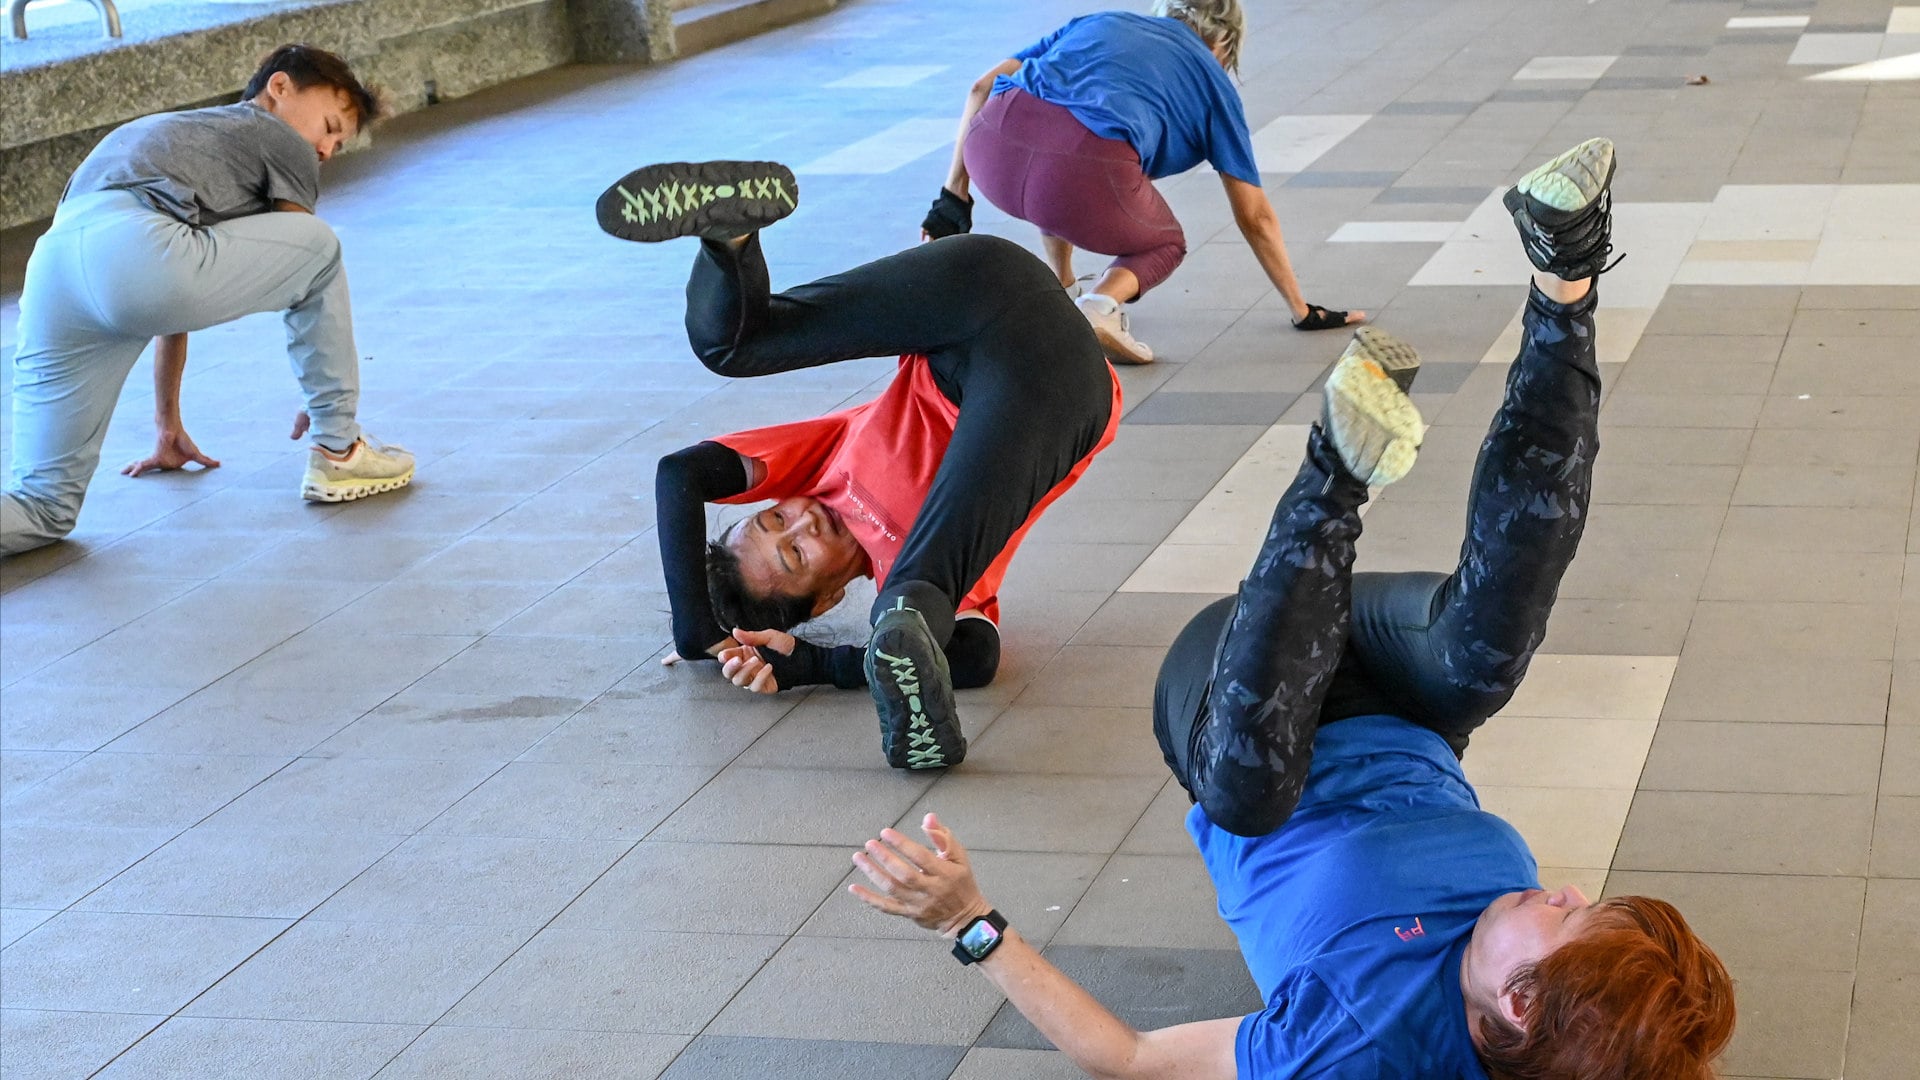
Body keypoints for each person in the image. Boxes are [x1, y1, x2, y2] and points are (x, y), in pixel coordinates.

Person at [849, 140, 1737, 1077]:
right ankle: (1565, 277)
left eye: (1563, 916)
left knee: (1250, 791)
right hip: (1394, 690)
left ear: (1516, 1006)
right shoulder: (1572, 1020)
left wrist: (968, 922)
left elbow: (1138, 1058)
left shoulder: (1354, 1042)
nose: (1562, 889)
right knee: (1484, 656)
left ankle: (1334, 474)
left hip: (1233, 693)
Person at [594, 160, 1122, 770]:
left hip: (978, 282)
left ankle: (729, 234)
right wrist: (819, 666)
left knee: (731, 345)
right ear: (823, 603)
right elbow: (978, 655)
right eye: (794, 557)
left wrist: (696, 632)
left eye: (773, 522)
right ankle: (901, 670)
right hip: (1052, 384)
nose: (801, 525)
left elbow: (679, 475)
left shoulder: (814, 466)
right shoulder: (906, 564)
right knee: (909, 603)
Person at [2, 44, 415, 557]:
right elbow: (300, 255)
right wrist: (322, 395)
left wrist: (166, 424)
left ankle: (333, 437)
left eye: (339, 144)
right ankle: (339, 446)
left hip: (54, 272)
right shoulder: (274, 134)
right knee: (322, 247)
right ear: (279, 88)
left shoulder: (178, 137)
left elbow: (168, 297)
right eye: (330, 125)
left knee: (43, 507)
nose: (328, 150)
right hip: (139, 253)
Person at [921, 0, 1361, 367]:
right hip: (1075, 175)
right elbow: (1255, 216)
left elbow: (981, 87)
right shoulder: (1213, 83)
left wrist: (952, 200)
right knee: (1164, 242)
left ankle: (1063, 289)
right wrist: (1301, 309)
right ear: (1224, 42)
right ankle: (1097, 307)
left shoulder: (1100, 21)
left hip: (991, 151)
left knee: (1056, 164)